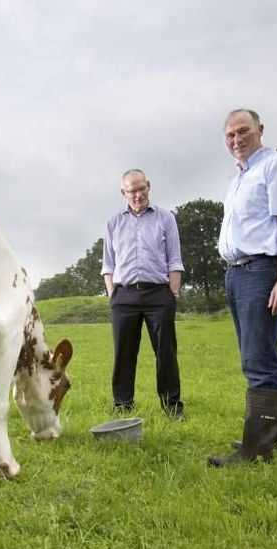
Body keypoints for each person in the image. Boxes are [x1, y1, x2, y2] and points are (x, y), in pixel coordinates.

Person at [208, 109, 277, 467]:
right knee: (266, 355)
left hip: (262, 270)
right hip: (237, 272)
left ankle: (255, 451)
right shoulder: (240, 177)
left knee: (257, 361)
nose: (236, 139)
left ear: (260, 130)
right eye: (230, 134)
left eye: (243, 131)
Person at [101, 168, 185, 420]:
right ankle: (122, 405)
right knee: (124, 354)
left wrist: (172, 291)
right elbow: (108, 263)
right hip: (123, 296)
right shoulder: (113, 223)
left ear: (148, 186)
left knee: (166, 353)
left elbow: (175, 258)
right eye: (131, 191)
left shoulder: (165, 218)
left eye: (141, 189)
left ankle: (172, 408)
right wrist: (112, 293)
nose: (137, 195)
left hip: (158, 295)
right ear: (123, 192)